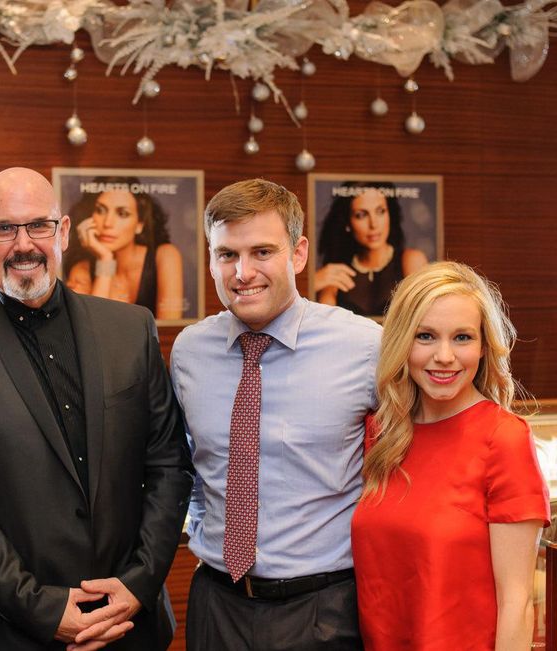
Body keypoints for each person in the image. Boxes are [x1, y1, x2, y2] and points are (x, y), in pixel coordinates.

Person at [0, 167, 193, 651]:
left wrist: (137, 583)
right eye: (3, 229)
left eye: (37, 225)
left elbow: (168, 465)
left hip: (129, 625)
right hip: (11, 632)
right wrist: (43, 608)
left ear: (62, 232)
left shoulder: (131, 331)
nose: (23, 244)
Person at [171, 178, 381, 650]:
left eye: (262, 251)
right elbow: (186, 466)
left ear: (299, 253)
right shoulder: (189, 351)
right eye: (227, 255)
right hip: (216, 603)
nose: (243, 271)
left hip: (323, 609)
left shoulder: (364, 347)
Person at [351, 261, 549, 650]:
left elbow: (517, 602)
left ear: (483, 346)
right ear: (402, 343)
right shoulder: (381, 432)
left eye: (462, 337)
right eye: (425, 336)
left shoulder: (503, 438)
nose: (444, 356)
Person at [64, 176, 184, 320]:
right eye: (100, 210)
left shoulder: (165, 255)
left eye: (122, 213)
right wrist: (105, 260)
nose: (108, 223)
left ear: (140, 224)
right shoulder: (82, 269)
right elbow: (90, 330)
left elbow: (171, 327)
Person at [314, 181, 428, 316]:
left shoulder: (411, 260)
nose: (373, 224)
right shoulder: (335, 275)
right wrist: (313, 281)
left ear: (389, 215)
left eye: (380, 211)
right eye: (361, 215)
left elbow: (424, 319)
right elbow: (325, 327)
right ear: (348, 223)